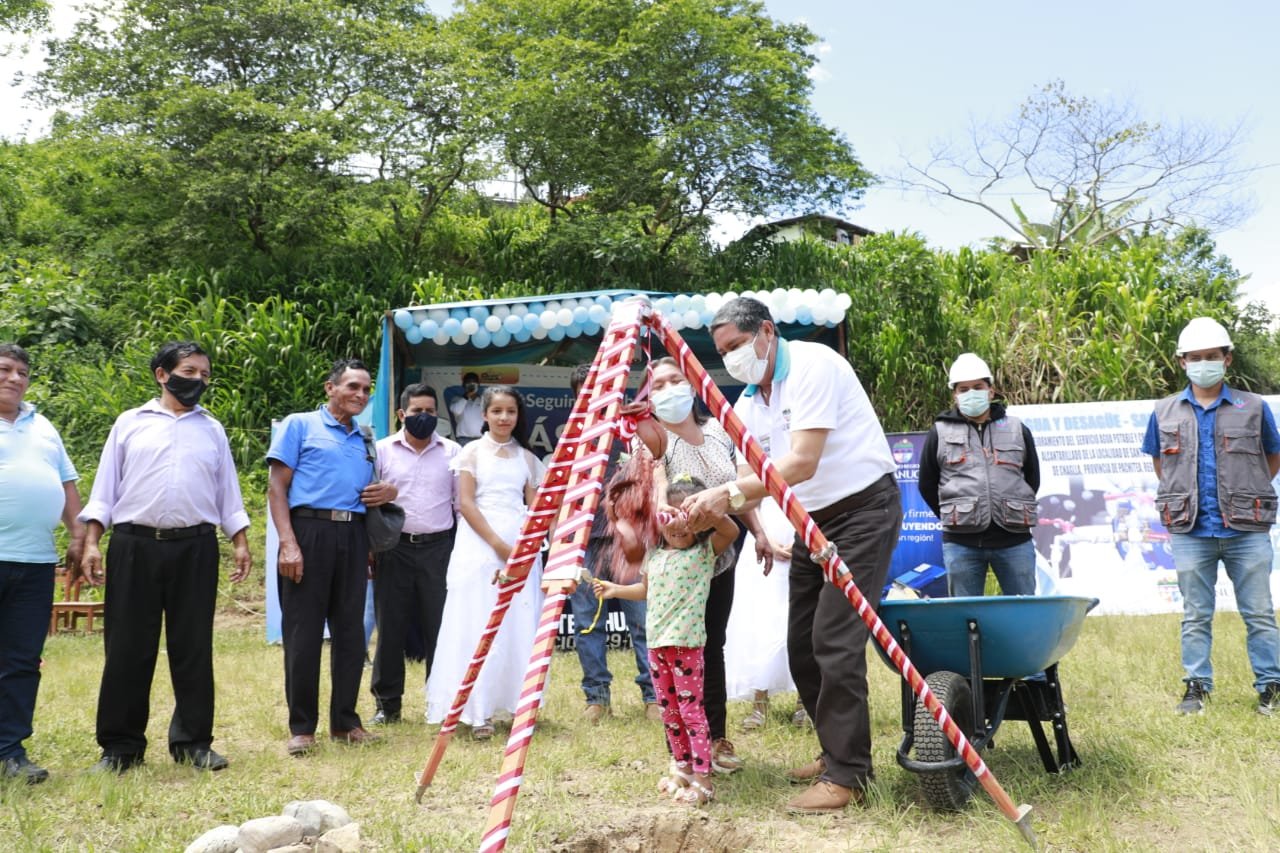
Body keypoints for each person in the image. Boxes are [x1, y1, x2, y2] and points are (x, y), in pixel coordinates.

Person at [682, 296, 902, 814]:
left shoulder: (814, 366)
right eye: (723, 352)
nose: (732, 357)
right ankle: (834, 752)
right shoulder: (746, 404)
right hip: (812, 520)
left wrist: (729, 498)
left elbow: (801, 461)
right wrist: (707, 501)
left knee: (835, 638)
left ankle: (850, 777)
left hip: (864, 511)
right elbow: (740, 478)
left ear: (766, 331)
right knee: (801, 641)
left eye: (737, 345)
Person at [80, 341, 251, 773]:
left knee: (192, 647)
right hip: (133, 545)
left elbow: (227, 491)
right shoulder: (129, 424)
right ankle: (120, 747)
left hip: (195, 547)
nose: (197, 381)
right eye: (190, 371)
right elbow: (105, 489)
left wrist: (241, 540)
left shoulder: (212, 429)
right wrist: (91, 541)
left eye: (205, 375)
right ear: (163, 374)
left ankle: (192, 742)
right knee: (127, 648)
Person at [634, 356, 773, 773]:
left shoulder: (718, 432)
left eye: (676, 380)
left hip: (721, 553)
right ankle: (681, 749)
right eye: (658, 385)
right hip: (677, 566)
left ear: (694, 384)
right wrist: (662, 506)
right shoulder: (652, 439)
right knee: (675, 648)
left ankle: (715, 738)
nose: (669, 389)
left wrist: (761, 532)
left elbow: (740, 492)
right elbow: (651, 492)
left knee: (713, 645)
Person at [1141, 317, 1280, 716]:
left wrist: (1244, 490)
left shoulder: (1252, 407)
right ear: (1182, 362)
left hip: (1245, 530)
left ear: (1227, 359)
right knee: (1195, 614)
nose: (1204, 363)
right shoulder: (1164, 410)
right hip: (1190, 530)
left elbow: (1272, 454)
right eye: (1195, 357)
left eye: (1211, 356)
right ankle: (1197, 686)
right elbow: (1159, 462)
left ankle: (1271, 686)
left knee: (1259, 613)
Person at [267, 358, 398, 756]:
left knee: (350, 634)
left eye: (366, 389)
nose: (360, 395)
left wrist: (386, 495)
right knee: (303, 635)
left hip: (355, 536)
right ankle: (302, 728)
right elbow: (277, 488)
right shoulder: (299, 425)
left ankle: (345, 722)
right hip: (308, 532)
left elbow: (371, 491)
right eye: (352, 387)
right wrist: (288, 543)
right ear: (330, 388)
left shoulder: (366, 438)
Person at [594, 475, 739, 807]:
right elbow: (644, 590)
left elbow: (730, 532)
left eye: (684, 518)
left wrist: (707, 510)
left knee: (691, 712)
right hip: (657, 646)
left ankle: (703, 779)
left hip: (686, 646)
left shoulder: (704, 553)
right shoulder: (654, 556)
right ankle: (683, 768)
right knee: (669, 713)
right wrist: (616, 589)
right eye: (668, 515)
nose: (676, 524)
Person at [426, 386, 546, 738]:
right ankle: (478, 712)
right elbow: (465, 504)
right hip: (479, 546)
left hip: (520, 547)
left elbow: (536, 508)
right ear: (485, 415)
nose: (504, 418)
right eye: (497, 411)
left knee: (518, 623)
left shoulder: (527, 458)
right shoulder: (471, 453)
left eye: (511, 411)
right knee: (478, 622)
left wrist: (525, 547)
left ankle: (517, 706)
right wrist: (498, 545)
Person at [0, 343, 84, 784]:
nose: (15, 378)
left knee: (20, 660)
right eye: (5, 369)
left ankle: (9, 752)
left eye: (22, 372)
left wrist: (78, 535)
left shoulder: (43, 425)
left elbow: (66, 483)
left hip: (35, 562)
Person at [565, 365, 659, 724]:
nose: (596, 400)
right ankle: (597, 697)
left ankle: (653, 696)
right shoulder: (571, 442)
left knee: (643, 622)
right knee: (587, 621)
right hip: (584, 543)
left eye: (606, 391)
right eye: (587, 393)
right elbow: (560, 497)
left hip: (632, 545)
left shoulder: (634, 434)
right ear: (577, 397)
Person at [369, 383, 460, 724]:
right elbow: (370, 502)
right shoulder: (381, 451)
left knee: (440, 628)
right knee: (390, 628)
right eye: (417, 411)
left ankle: (439, 702)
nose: (424, 417)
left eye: (430, 411)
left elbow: (460, 505)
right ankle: (387, 705)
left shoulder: (452, 453)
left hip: (439, 549)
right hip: (394, 549)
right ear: (401, 414)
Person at [918, 353, 1041, 596]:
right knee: (966, 615)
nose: (971, 393)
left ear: (991, 391)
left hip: (1014, 539)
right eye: (963, 389)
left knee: (1023, 608)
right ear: (954, 394)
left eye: (978, 387)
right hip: (961, 542)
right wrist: (957, 513)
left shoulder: (1017, 428)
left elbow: (1032, 478)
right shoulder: (940, 431)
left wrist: (1007, 505)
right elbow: (927, 483)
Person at [724, 497, 801, 731]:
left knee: (801, 621)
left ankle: (805, 703)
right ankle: (759, 703)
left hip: (805, 526)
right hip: (763, 531)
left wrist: (804, 540)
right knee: (760, 619)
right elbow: (747, 495)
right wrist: (763, 534)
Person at [448, 371, 485, 444]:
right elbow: (456, 411)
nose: (471, 385)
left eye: (474, 383)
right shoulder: (456, 399)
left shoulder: (484, 400)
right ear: (463, 384)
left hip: (482, 439)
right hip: (464, 439)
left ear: (478, 384)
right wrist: (467, 396)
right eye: (469, 383)